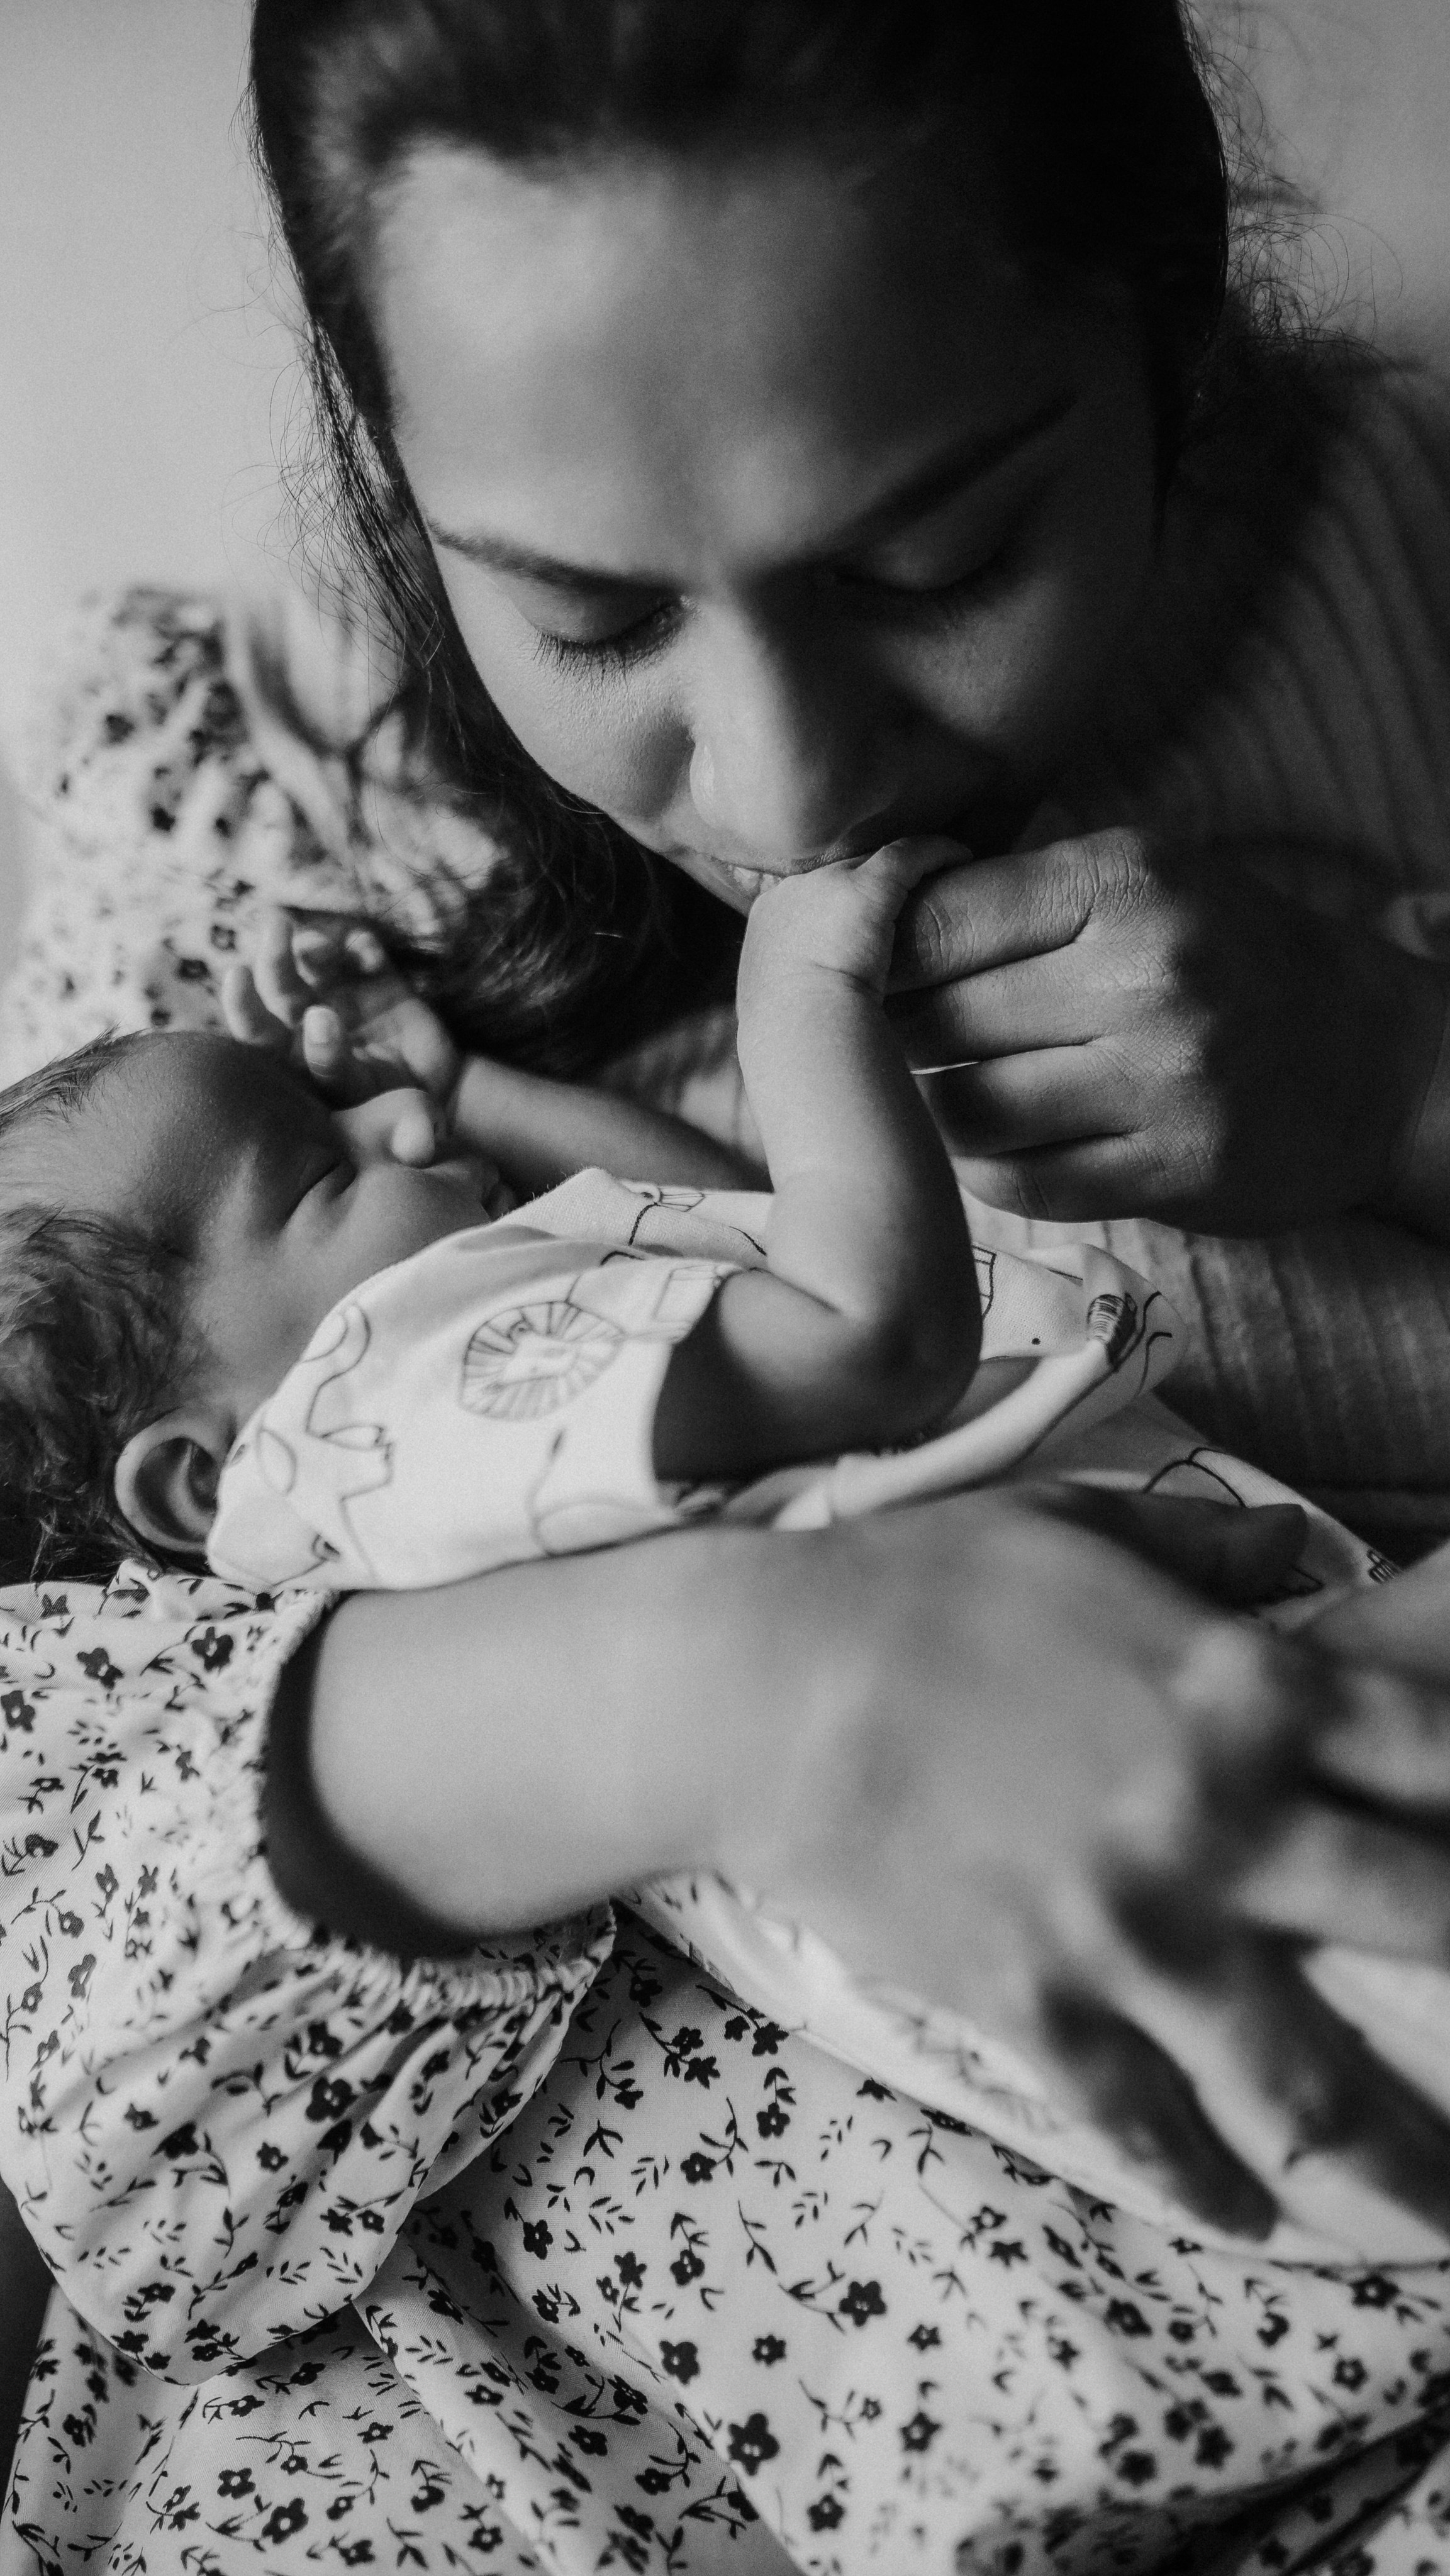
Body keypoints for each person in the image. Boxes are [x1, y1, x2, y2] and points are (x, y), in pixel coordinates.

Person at [11, 1, 1450, 2565]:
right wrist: (752, 1685)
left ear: (1165, 338)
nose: (785, 780)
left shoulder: (1416, 560)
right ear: (393, 468)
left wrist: (1422, 1075)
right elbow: (108, 2099)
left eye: (935, 560)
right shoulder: (249, 902)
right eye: (585, 618)